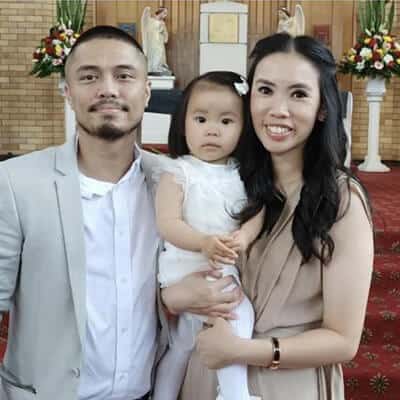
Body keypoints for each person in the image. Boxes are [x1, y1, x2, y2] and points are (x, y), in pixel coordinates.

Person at [161, 33, 374, 399]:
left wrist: (243, 351)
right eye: (265, 90)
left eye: (298, 94)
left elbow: (343, 340)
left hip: (286, 383)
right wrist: (175, 298)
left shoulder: (341, 201)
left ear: (323, 107)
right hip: (203, 377)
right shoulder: (230, 181)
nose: (278, 109)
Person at [0, 25, 172, 400]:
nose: (108, 89)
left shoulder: (171, 184)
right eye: (89, 76)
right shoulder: (15, 183)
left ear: (146, 91)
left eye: (124, 76)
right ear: (68, 92)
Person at [143, 71, 263, 400]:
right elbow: (167, 222)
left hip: (221, 265)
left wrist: (245, 235)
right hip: (188, 267)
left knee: (182, 344)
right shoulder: (177, 171)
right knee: (238, 316)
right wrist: (203, 243)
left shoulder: (242, 173)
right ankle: (235, 394)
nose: (212, 129)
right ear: (183, 123)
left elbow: (260, 212)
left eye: (226, 121)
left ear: (244, 128)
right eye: (200, 119)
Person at [141, 6, 171, 76]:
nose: (165, 15)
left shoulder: (162, 22)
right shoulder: (151, 21)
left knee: (161, 53)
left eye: (166, 13)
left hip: (160, 40)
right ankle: (154, 68)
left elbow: (165, 32)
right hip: (153, 41)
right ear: (160, 12)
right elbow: (147, 28)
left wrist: (165, 37)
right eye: (164, 13)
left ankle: (159, 67)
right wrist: (147, 10)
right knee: (155, 53)